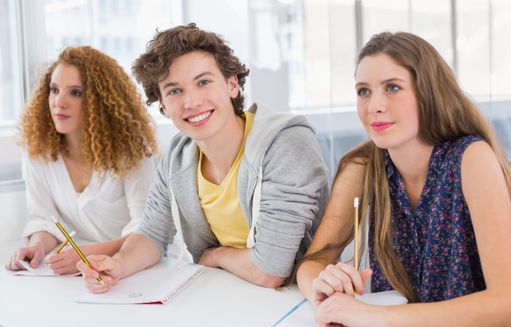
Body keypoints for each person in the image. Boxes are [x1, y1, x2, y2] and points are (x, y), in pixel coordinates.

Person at [296, 32, 511, 327]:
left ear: (428, 93)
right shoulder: (362, 167)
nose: (374, 106)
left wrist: (377, 317)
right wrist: (323, 289)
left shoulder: (471, 158)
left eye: (392, 88)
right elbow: (312, 263)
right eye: (363, 91)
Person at [77, 23, 329, 292]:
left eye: (204, 82)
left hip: (300, 300)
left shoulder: (285, 143)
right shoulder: (177, 155)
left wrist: (215, 255)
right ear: (162, 105)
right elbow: (152, 235)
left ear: (232, 84)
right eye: (174, 91)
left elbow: (270, 271)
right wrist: (119, 265)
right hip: (230, 293)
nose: (192, 102)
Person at [5, 46, 158, 275]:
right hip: (82, 272)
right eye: (54, 90)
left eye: (75, 93)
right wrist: (36, 246)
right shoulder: (37, 152)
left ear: (101, 101)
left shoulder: (132, 149)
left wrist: (95, 253)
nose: (59, 102)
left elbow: (147, 229)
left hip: (139, 267)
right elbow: (44, 218)